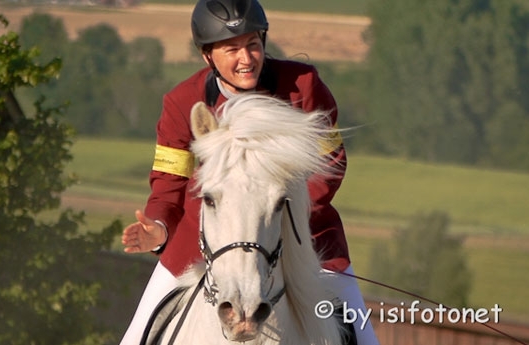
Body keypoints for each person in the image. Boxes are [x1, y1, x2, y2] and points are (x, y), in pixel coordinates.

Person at [119, 1, 379, 344]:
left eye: (253, 45)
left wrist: (281, 212)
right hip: (200, 249)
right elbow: (169, 185)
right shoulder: (182, 103)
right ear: (207, 55)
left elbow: (330, 165)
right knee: (135, 337)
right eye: (232, 49)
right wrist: (160, 228)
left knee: (365, 338)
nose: (247, 59)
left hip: (306, 241)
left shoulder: (303, 88)